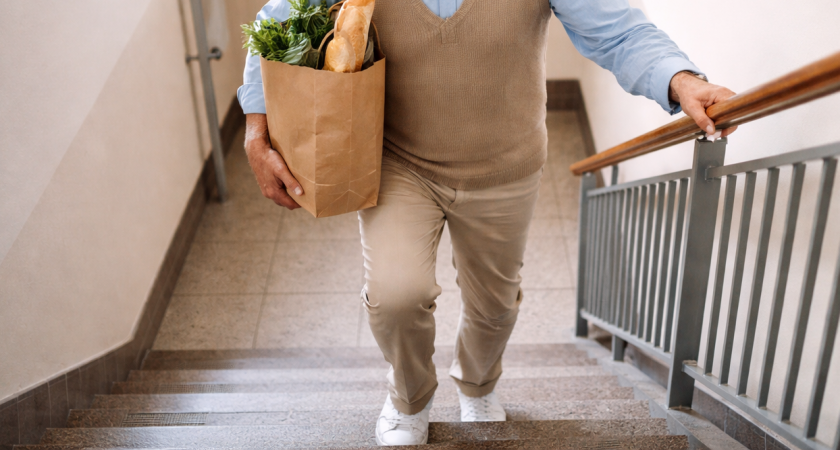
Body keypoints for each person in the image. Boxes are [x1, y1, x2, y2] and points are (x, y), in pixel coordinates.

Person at [238, 0, 737, 445]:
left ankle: (478, 383)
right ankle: (409, 399)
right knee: (395, 295)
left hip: (504, 166)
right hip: (397, 161)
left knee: (493, 302)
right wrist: (256, 131)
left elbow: (619, 32)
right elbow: (276, 18)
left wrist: (681, 79)